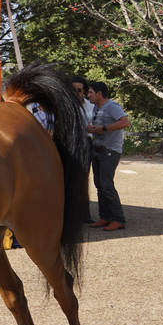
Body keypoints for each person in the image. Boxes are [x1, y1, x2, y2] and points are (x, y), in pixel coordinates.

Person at [86, 81, 130, 231]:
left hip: (110, 151)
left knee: (106, 185)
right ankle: (105, 217)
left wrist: (103, 128)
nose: (88, 95)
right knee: (99, 185)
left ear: (99, 93)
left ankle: (118, 219)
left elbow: (125, 122)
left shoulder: (112, 106)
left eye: (91, 92)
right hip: (98, 150)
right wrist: (92, 129)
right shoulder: (96, 108)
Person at [71, 75, 96, 222]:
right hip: (69, 143)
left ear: (84, 91)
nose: (76, 93)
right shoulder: (63, 105)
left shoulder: (90, 106)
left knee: (82, 179)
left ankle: (84, 214)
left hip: (85, 143)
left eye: (79, 90)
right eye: (73, 90)